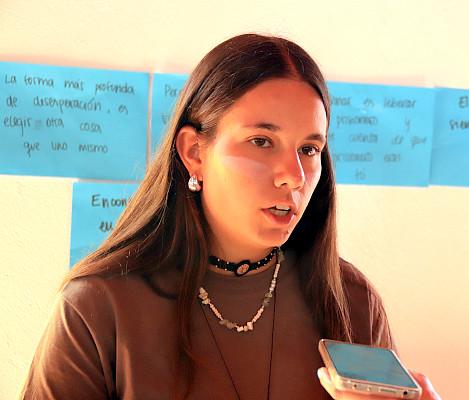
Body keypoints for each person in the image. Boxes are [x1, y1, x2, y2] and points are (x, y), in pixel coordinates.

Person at [20, 33, 441, 400]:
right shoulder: (98, 306)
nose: (294, 176)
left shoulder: (352, 301)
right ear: (194, 152)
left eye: (309, 149)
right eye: (261, 141)